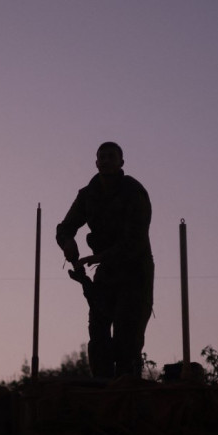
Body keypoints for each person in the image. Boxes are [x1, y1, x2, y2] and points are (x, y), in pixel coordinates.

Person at [56, 141, 154, 378]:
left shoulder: (133, 191)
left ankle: (127, 390)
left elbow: (136, 239)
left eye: (112, 156)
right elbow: (65, 227)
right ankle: (101, 388)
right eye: (102, 157)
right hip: (106, 272)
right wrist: (67, 242)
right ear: (96, 162)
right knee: (98, 333)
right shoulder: (88, 194)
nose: (106, 161)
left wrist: (99, 256)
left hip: (135, 271)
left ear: (121, 162)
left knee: (127, 337)